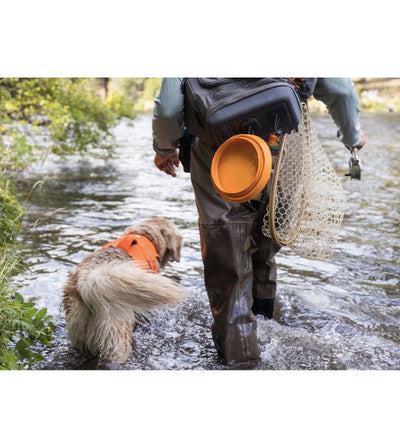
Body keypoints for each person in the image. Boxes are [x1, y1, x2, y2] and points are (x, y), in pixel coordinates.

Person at [152, 78, 366, 369]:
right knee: (266, 241)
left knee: (228, 260)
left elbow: (167, 109)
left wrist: (165, 148)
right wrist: (352, 136)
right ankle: (267, 324)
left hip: (219, 150)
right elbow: (340, 90)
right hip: (282, 147)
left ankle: (241, 359)